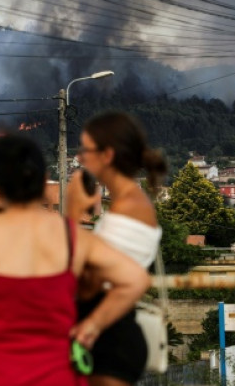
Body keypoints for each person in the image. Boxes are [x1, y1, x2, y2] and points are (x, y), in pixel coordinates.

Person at [0, 135, 150, 386]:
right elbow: (136, 279)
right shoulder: (70, 238)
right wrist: (91, 326)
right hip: (54, 376)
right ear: (43, 179)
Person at [68, 111, 168, 386]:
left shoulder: (130, 209)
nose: (79, 157)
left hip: (110, 343)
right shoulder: (127, 204)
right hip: (106, 339)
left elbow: (90, 279)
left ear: (107, 155)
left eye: (85, 149)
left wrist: (73, 216)